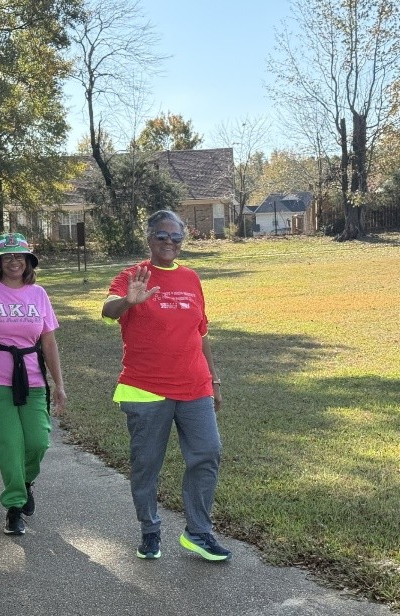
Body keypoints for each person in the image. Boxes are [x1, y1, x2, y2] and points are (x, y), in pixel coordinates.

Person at [101, 210, 232, 562]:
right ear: (149, 238)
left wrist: (214, 378)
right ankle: (149, 530)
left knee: (207, 453)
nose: (170, 243)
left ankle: (199, 533)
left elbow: (201, 332)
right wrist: (128, 301)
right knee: (147, 464)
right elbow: (107, 311)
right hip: (145, 388)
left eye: (176, 237)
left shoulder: (191, 278)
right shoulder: (133, 276)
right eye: (162, 236)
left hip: (195, 384)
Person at [0, 232, 66, 536]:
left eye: (20, 256)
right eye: (7, 257)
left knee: (38, 441)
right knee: (10, 444)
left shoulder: (39, 294)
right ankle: (14, 506)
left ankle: (24, 482)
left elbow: (48, 342)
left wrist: (59, 385)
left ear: (28, 261)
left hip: (33, 378)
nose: (14, 261)